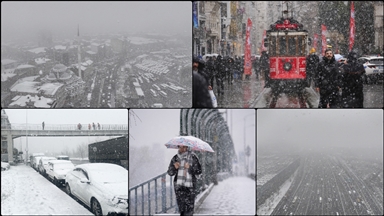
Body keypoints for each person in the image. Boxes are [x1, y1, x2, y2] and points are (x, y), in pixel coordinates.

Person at [168, 146, 202, 216]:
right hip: (179, 186)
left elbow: (199, 171)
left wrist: (190, 168)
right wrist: (174, 168)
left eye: (184, 147)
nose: (182, 149)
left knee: (189, 209)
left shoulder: (193, 157)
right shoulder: (175, 158)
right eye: (180, 147)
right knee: (181, 209)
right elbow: (170, 173)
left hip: (190, 187)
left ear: (187, 147)